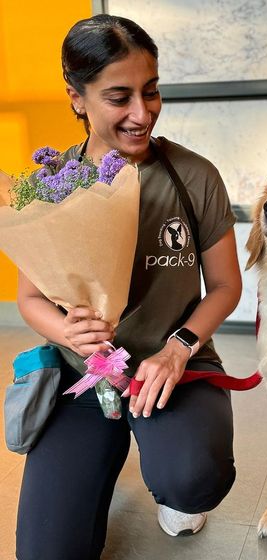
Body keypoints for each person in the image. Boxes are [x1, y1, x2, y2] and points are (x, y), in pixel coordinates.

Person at [15, 14, 242, 560]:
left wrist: (178, 347)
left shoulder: (194, 177)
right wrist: (69, 332)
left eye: (152, 91)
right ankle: (102, 449)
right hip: (85, 377)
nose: (143, 114)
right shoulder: (49, 187)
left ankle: (172, 477)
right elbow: (30, 299)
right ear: (77, 98)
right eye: (120, 97)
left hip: (173, 369)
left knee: (192, 479)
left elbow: (226, 286)